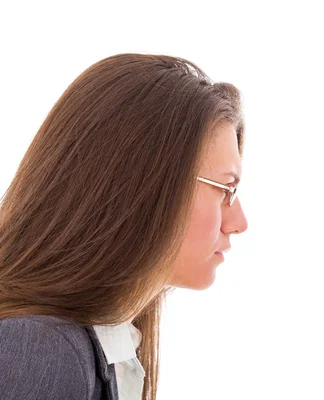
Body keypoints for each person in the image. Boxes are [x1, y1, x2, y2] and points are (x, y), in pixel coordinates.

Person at [0, 54, 248, 400]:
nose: (239, 223)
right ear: (144, 186)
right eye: (225, 189)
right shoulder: (42, 351)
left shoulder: (99, 349)